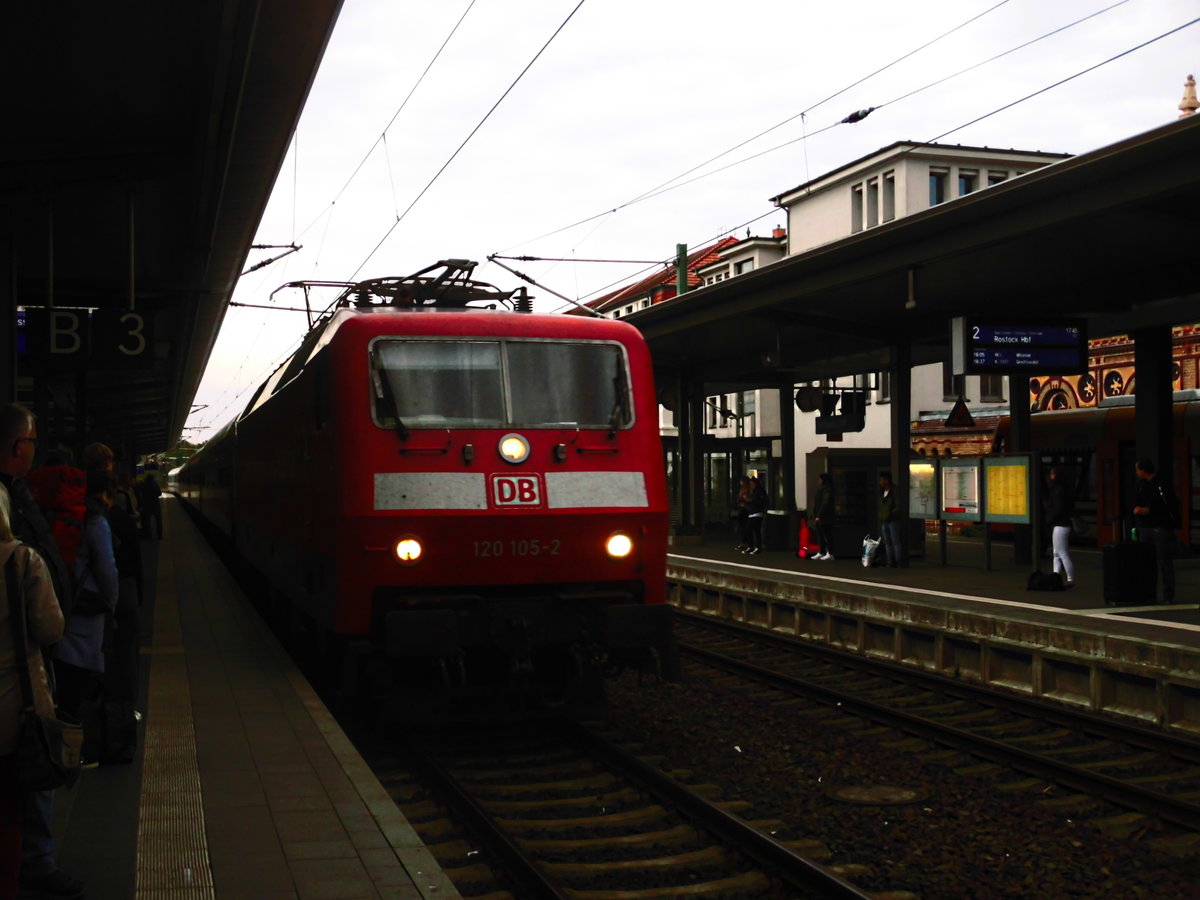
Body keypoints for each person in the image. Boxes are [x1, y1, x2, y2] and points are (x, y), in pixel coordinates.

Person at [0, 404, 85, 900]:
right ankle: (36, 862)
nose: (35, 449)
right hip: (22, 661)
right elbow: (46, 625)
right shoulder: (12, 505)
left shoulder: (18, 492)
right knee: (33, 752)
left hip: (23, 654)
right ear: (19, 445)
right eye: (32, 441)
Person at [0, 491, 65, 900]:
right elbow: (50, 629)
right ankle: (37, 864)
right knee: (28, 790)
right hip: (17, 701)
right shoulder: (22, 561)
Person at [54, 469, 119, 770]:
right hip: (88, 612)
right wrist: (112, 602)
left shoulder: (56, 516)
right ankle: (86, 751)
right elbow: (107, 568)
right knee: (87, 685)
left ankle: (65, 749)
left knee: (64, 685)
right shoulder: (95, 522)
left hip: (60, 608)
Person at [1132, 458, 1178, 604]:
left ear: (1143, 470)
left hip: (1160, 526)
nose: (1136, 472)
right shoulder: (1141, 485)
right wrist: (1138, 509)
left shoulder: (1161, 484)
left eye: (1137, 469)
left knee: (1164, 561)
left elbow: (1171, 504)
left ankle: (1168, 594)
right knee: (1147, 562)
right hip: (1145, 526)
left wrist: (1149, 510)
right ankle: (1149, 593)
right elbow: (1137, 500)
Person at [1044, 467, 1076, 589]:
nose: (1051, 476)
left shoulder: (1058, 490)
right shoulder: (1065, 489)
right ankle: (1056, 576)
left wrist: (1049, 519)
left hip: (1060, 525)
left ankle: (1070, 579)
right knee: (1057, 553)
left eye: (1053, 474)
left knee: (1061, 553)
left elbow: (1057, 509)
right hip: (1063, 525)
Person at [878, 471, 902, 569]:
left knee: (895, 542)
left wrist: (890, 514)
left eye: (881, 480)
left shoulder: (895, 491)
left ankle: (898, 562)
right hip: (885, 520)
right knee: (888, 543)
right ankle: (890, 562)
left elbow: (898, 506)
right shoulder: (882, 491)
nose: (880, 482)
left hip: (893, 520)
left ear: (886, 480)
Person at [811, 473, 835, 561]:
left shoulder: (827, 490)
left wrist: (819, 515)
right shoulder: (822, 489)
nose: (819, 481)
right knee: (820, 534)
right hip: (820, 516)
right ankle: (822, 552)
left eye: (820, 479)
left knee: (826, 535)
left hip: (825, 517)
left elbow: (825, 503)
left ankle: (830, 553)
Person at [742, 476, 767, 556]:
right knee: (750, 530)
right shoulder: (752, 491)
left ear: (755, 483)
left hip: (757, 513)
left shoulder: (760, 491)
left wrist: (750, 500)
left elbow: (761, 502)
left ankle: (757, 547)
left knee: (755, 531)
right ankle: (751, 547)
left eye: (752, 483)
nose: (751, 485)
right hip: (752, 513)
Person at [138, 473, 162, 540]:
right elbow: (159, 493)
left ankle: (148, 535)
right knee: (158, 520)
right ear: (152, 478)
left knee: (147, 521)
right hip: (156, 504)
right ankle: (159, 535)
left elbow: (141, 493)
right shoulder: (155, 484)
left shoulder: (144, 485)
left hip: (147, 505)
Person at [733, 478, 751, 552]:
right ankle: (744, 542)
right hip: (743, 509)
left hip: (746, 510)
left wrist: (744, 499)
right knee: (743, 526)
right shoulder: (742, 489)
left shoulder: (748, 490)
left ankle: (745, 542)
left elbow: (750, 500)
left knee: (745, 526)